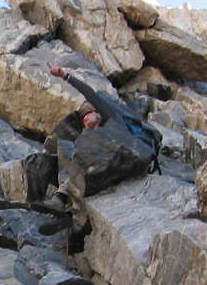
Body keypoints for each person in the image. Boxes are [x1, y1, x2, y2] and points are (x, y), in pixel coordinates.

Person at [47, 64, 161, 200]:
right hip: (117, 170)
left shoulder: (111, 117)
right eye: (84, 120)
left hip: (135, 158)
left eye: (88, 113)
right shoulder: (92, 138)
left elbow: (90, 94)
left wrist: (65, 76)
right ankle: (60, 198)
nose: (87, 119)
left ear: (97, 112)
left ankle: (61, 198)